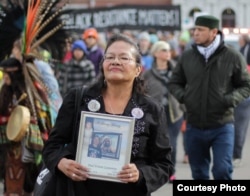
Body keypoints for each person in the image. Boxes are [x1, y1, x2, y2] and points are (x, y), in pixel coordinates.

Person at [42, 33, 173, 196]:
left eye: (124, 58)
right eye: (110, 57)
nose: (115, 61)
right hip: (79, 191)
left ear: (138, 69)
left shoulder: (152, 109)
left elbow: (164, 164)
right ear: (103, 65)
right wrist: (62, 163)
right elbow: (52, 146)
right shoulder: (78, 99)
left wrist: (140, 174)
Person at [167, 15, 250, 180]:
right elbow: (174, 82)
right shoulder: (188, 56)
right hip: (194, 125)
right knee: (198, 174)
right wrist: (185, 97)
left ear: (213, 32)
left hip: (222, 125)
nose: (195, 33)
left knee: (222, 171)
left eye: (200, 30)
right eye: (194, 30)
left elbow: (245, 86)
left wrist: (229, 99)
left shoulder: (232, 56)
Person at [0, 57, 54, 195]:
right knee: (9, 173)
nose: (5, 77)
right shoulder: (5, 90)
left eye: (8, 74)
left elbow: (41, 116)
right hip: (7, 142)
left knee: (27, 175)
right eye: (3, 73)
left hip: (26, 142)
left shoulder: (30, 91)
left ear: (15, 74)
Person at [142, 41, 184, 182]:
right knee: (155, 144)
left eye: (168, 50)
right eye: (163, 50)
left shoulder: (177, 72)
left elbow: (186, 90)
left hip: (174, 113)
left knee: (171, 143)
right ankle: (156, 172)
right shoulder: (147, 74)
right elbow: (142, 93)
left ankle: (171, 172)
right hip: (155, 114)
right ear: (155, 53)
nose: (167, 53)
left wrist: (185, 110)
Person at [233, 34, 250, 167]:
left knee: (238, 126)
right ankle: (235, 154)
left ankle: (235, 154)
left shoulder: (243, 51)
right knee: (239, 126)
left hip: (241, 94)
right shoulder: (240, 51)